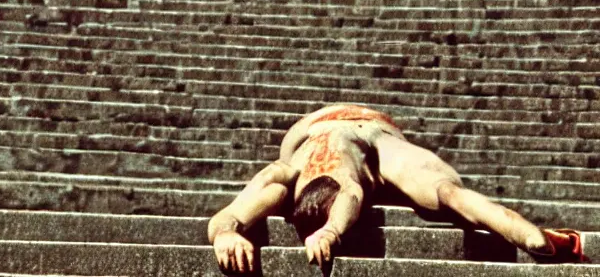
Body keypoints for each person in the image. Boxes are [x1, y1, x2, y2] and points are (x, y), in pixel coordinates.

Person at [208, 103, 586, 272]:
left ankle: (543, 241)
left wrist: (332, 231)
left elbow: (350, 193)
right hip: (377, 132)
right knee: (450, 195)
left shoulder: (285, 173)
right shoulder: (285, 176)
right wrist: (225, 233)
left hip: (336, 129)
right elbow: (350, 191)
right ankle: (546, 240)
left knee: (448, 194)